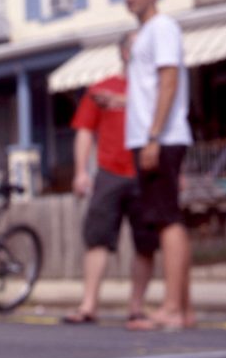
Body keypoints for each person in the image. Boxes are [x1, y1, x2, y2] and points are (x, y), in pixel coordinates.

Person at [64, 34, 157, 324]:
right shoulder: (102, 88)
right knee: (97, 237)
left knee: (145, 241)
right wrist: (80, 171)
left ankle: (136, 306)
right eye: (133, 46)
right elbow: (84, 131)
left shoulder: (155, 90)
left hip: (146, 172)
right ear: (124, 52)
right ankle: (89, 305)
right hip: (110, 171)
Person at [122, 0, 194, 330]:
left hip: (161, 138)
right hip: (150, 136)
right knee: (166, 219)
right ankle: (185, 308)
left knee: (168, 221)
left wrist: (153, 136)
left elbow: (168, 81)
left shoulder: (163, 27)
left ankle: (172, 309)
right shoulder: (144, 35)